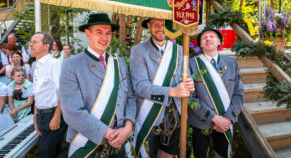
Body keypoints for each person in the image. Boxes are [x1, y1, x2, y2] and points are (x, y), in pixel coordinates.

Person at [59, 13, 136, 157]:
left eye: (108, 33)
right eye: (98, 32)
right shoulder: (72, 65)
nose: (104, 38)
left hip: (119, 141)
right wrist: (108, 133)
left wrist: (127, 128)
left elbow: (130, 98)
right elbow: (72, 111)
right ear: (87, 33)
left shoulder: (119, 63)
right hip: (88, 143)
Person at [130, 18, 194, 158]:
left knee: (168, 155)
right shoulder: (138, 51)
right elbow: (140, 86)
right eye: (156, 25)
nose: (160, 28)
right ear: (149, 26)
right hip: (149, 114)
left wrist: (189, 84)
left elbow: (185, 77)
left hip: (175, 114)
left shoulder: (179, 50)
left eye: (164, 25)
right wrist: (172, 91)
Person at [188, 27, 244, 158]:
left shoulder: (231, 63)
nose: (208, 39)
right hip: (201, 121)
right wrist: (214, 118)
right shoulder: (191, 64)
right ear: (200, 44)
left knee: (222, 154)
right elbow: (190, 98)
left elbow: (238, 93)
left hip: (225, 121)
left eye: (212, 36)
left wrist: (227, 118)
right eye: (204, 37)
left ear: (219, 41)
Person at [29, 32, 67, 158]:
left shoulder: (54, 64)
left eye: (35, 42)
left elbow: (64, 91)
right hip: (41, 115)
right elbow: (38, 94)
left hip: (52, 115)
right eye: (30, 42)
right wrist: (35, 117)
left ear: (46, 46)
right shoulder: (37, 65)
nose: (30, 45)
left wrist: (56, 116)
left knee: (47, 154)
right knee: (51, 153)